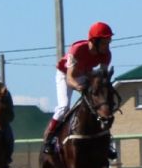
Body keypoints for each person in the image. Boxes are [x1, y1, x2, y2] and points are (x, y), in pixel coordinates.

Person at [44, 21, 115, 155]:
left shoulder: (106, 54)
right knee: (64, 106)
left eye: (108, 42)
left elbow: (102, 77)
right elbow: (70, 78)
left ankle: (107, 143)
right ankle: (49, 139)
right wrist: (79, 87)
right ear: (95, 41)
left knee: (98, 106)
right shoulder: (78, 49)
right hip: (65, 75)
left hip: (84, 74)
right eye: (105, 43)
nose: (107, 46)